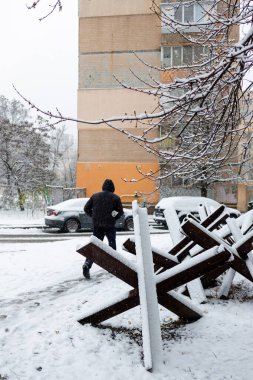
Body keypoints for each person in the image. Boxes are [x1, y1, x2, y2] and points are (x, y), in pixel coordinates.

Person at [82, 178, 124, 279]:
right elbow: (120, 212)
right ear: (113, 188)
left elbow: (86, 208)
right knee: (111, 245)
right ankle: (112, 266)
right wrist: (114, 217)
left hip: (97, 225)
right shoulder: (115, 198)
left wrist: (93, 216)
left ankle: (87, 264)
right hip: (110, 225)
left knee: (94, 246)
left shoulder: (95, 196)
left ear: (103, 187)